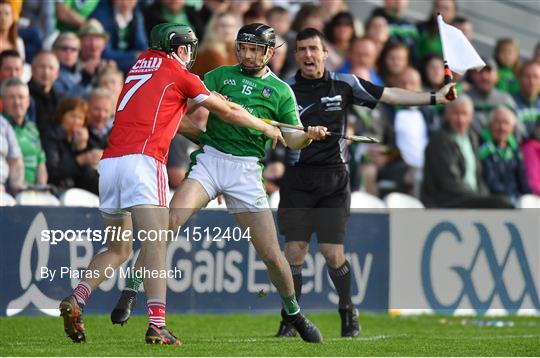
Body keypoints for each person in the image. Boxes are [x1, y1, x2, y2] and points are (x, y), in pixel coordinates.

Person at [59, 23, 286, 346]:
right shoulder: (180, 74)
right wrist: (265, 129)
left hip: (110, 164)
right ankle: (157, 325)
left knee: (118, 248)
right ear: (179, 48)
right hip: (144, 162)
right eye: (188, 48)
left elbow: (175, 118)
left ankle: (78, 298)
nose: (190, 54)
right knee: (156, 242)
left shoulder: (140, 64)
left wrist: (208, 139)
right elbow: (231, 111)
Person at [110, 23, 326, 344]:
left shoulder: (281, 91)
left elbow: (291, 138)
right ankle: (131, 289)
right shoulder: (218, 76)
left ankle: (292, 311)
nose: (248, 55)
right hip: (210, 160)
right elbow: (175, 112)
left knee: (270, 254)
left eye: (255, 49)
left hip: (246, 171)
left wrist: (306, 136)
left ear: (269, 53)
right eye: (244, 47)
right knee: (167, 223)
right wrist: (202, 137)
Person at [275, 27, 456, 339]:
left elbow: (389, 94)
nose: (308, 55)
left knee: (333, 254)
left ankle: (347, 308)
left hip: (334, 179)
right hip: (298, 181)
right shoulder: (284, 89)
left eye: (313, 49)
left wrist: (434, 97)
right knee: (294, 253)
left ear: (324, 53)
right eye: (302, 49)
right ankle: (291, 319)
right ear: (295, 55)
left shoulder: (344, 83)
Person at [421, 95, 513, 208]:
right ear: (446, 115)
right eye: (456, 114)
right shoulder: (440, 141)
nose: (460, 119)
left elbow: (478, 177)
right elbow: (449, 184)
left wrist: (484, 196)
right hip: (446, 200)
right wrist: (480, 198)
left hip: (470, 198)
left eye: (464, 114)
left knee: (505, 201)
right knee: (502, 204)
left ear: (471, 116)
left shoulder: (472, 138)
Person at [479, 107, 530, 204]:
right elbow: (489, 181)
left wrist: (528, 195)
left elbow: (522, 179)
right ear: (490, 125)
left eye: (506, 123)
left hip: (514, 199)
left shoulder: (515, 149)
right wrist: (509, 197)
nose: (502, 128)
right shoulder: (483, 148)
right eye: (497, 122)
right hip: (493, 201)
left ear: (512, 128)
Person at [2, 78, 47, 186]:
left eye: (21, 97)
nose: (17, 102)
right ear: (2, 101)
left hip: (32, 191)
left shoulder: (33, 129)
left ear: (28, 102)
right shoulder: (2, 128)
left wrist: (42, 189)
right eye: (11, 97)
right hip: (8, 189)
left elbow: (40, 163)